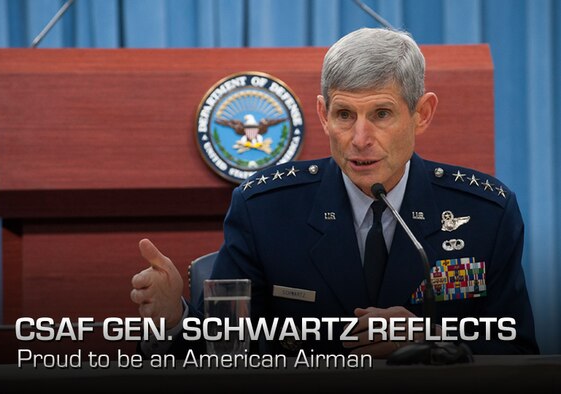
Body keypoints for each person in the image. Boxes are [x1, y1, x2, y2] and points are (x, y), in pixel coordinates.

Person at [130, 27, 539, 357]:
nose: (360, 139)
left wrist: (434, 340)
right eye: (345, 115)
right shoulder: (264, 209)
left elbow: (519, 351)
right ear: (324, 116)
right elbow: (221, 353)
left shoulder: (487, 212)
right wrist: (171, 322)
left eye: (381, 114)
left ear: (422, 114)